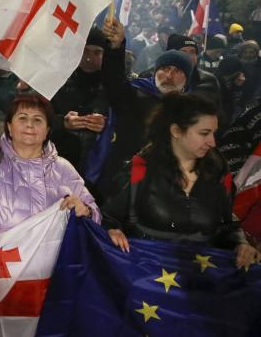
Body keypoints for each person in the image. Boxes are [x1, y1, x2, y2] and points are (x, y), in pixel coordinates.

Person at [103, 93, 259, 270]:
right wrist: (111, 230)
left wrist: (240, 243)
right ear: (176, 131)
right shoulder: (140, 170)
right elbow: (108, 217)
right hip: (145, 274)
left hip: (200, 277)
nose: (213, 142)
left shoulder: (218, 170)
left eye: (214, 133)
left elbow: (226, 224)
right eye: (204, 133)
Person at [0, 94, 101, 245]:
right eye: (22, 118)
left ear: (47, 130)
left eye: (38, 120)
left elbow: (95, 218)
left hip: (48, 260)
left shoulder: (63, 169)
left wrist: (85, 211)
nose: (30, 125)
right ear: (9, 127)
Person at [98, 16, 196, 201]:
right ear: (156, 71)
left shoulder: (191, 111)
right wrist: (116, 48)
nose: (169, 75)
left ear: (186, 79)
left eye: (177, 71)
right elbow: (113, 80)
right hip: (123, 180)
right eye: (165, 68)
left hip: (165, 187)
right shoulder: (135, 94)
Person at [51, 27, 111, 178]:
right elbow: (42, 118)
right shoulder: (58, 81)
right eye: (85, 51)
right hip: (58, 162)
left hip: (98, 169)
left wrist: (106, 125)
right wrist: (63, 123)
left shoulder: (114, 86)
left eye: (97, 53)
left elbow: (127, 124)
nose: (89, 58)